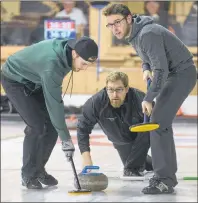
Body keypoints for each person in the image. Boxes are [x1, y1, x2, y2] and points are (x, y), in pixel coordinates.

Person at [103, 4, 197, 194]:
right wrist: (145, 67)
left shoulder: (147, 33)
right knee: (161, 123)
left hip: (181, 74)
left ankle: (164, 179)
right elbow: (149, 58)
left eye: (117, 23)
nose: (114, 28)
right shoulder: (135, 34)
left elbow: (160, 69)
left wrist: (149, 97)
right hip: (173, 74)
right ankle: (167, 175)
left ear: (129, 18)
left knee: (157, 123)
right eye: (110, 25)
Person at [1, 36, 98, 189]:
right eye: (84, 64)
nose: (84, 68)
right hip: (15, 80)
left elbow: (54, 105)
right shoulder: (52, 65)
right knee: (37, 125)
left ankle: (38, 170)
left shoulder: (69, 52)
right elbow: (55, 104)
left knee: (52, 126)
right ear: (75, 54)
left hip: (36, 79)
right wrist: (66, 139)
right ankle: (28, 175)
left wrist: (61, 132)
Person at [77, 71, 153, 177]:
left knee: (132, 167)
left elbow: (157, 125)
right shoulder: (95, 103)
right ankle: (149, 163)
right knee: (146, 165)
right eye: (110, 90)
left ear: (126, 89)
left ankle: (135, 166)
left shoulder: (139, 99)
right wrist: (86, 160)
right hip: (120, 141)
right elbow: (82, 129)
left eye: (119, 89)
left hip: (139, 138)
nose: (114, 95)